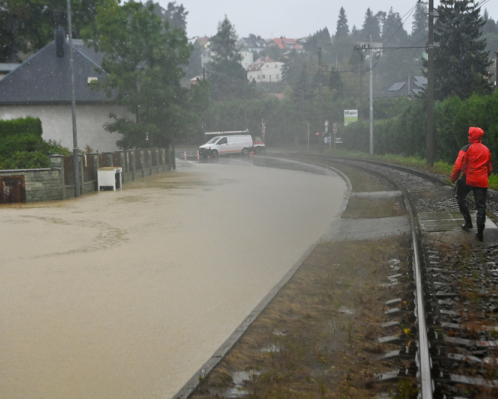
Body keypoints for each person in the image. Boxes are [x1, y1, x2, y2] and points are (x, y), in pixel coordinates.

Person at [450, 127, 493, 241]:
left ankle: (468, 222)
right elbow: (489, 168)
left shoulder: (466, 148)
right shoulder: (486, 149)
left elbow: (459, 165)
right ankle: (480, 234)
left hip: (468, 179)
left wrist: (454, 178)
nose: (468, 136)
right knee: (481, 207)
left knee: (460, 197)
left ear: (471, 136)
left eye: (469, 135)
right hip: (482, 181)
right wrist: (484, 176)